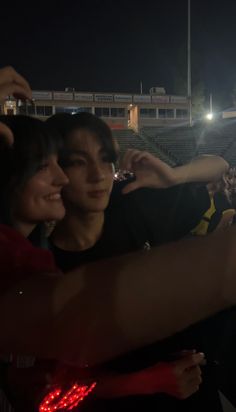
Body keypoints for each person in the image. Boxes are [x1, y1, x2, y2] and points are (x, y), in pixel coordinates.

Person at [47, 112, 230, 411]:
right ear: (52, 168)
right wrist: (146, 382)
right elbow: (51, 394)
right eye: (79, 162)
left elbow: (218, 166)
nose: (99, 175)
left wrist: (174, 175)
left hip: (194, 388)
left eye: (106, 159)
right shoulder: (47, 267)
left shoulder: (132, 201)